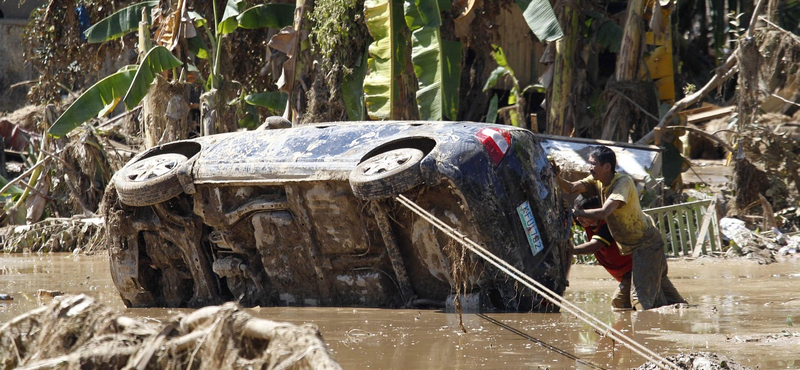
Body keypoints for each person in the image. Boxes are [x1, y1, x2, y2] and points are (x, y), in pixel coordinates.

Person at [554, 145, 685, 310]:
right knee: (671, 299)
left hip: (645, 245)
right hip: (636, 248)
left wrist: (574, 212)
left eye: (593, 164)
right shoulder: (598, 181)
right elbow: (571, 187)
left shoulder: (623, 183)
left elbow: (604, 212)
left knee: (639, 299)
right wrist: (556, 176)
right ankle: (684, 318)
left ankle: (647, 332)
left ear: (607, 167)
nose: (590, 168)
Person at [572, 195, 633, 310]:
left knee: (619, 304)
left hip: (634, 270)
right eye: (577, 214)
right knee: (668, 298)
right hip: (625, 272)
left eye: (583, 214)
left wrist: (571, 250)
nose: (579, 218)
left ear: (596, 212)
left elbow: (594, 246)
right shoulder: (586, 222)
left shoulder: (608, 225)